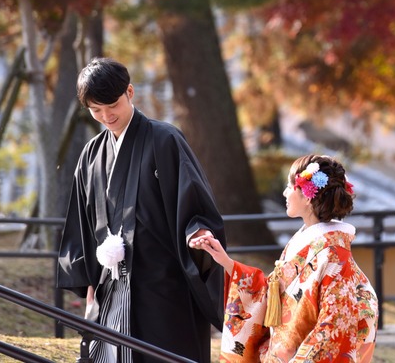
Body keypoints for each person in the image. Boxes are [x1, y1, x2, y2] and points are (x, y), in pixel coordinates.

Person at [56, 57, 227, 363]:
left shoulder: (165, 140)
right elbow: (82, 225)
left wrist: (198, 233)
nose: (106, 116)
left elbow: (194, 203)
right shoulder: (91, 155)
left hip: (163, 284)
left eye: (112, 106)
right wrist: (92, 283)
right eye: (96, 110)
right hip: (111, 283)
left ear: (130, 92)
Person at [191, 154, 378, 363]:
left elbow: (335, 326)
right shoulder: (307, 242)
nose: (285, 192)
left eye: (290, 186)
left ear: (307, 196)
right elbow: (273, 293)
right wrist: (225, 261)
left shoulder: (334, 256)